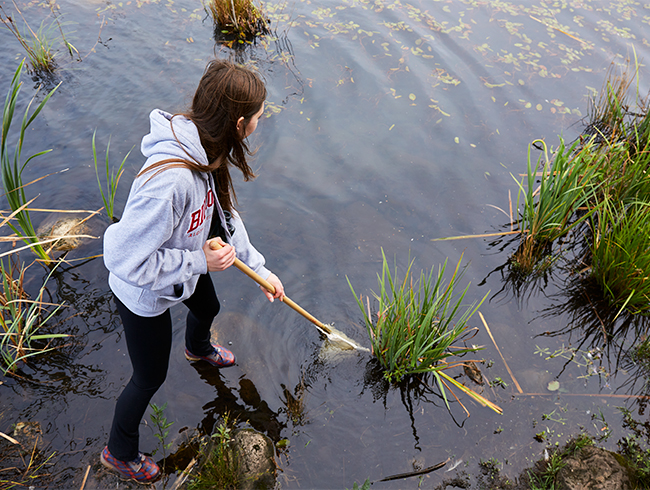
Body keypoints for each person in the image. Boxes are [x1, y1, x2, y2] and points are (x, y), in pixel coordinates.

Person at [100, 59, 285, 483]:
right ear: (240, 123)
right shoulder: (172, 181)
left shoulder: (209, 147)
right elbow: (123, 259)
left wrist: (261, 270)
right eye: (259, 116)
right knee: (149, 376)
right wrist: (199, 261)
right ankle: (119, 450)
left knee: (209, 304)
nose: (260, 122)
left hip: (185, 262)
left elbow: (224, 219)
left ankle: (197, 348)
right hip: (144, 291)